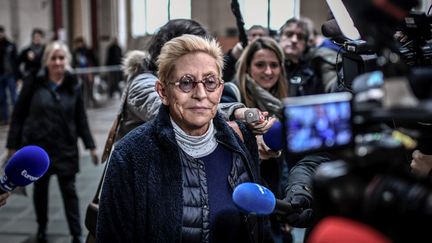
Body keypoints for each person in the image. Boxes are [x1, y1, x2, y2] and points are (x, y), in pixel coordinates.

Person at [97, 34, 269, 242]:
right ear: (163, 92)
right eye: (186, 83)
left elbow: (257, 227)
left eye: (210, 82)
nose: (201, 93)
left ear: (220, 89)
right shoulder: (130, 156)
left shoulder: (241, 140)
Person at [222, 37, 324, 242]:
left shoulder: (284, 103)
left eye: (274, 65)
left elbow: (286, 162)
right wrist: (253, 143)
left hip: (272, 202)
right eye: (260, 65)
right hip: (237, 200)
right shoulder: (231, 97)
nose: (268, 72)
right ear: (247, 67)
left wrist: (288, 201)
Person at [6, 41, 99, 243]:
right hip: (38, 148)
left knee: (69, 191)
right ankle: (42, 228)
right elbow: (19, 115)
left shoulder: (74, 84)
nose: (58, 62)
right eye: (53, 58)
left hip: (65, 147)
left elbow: (80, 117)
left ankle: (76, 233)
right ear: (46, 61)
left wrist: (91, 146)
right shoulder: (33, 82)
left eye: (62, 58)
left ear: (67, 61)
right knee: (41, 191)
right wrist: (12, 146)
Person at [278, 18, 326, 97]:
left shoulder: (313, 71)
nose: (294, 40)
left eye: (300, 37)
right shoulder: (268, 67)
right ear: (280, 37)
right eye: (289, 34)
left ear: (306, 44)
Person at [72, 36, 99, 107]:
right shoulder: (75, 52)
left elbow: (94, 61)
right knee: (82, 89)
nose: (79, 44)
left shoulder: (89, 51)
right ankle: (84, 104)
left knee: (90, 89)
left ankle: (93, 103)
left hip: (89, 72)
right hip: (80, 73)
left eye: (80, 43)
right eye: (77, 43)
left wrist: (95, 71)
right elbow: (74, 63)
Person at [0, 25, 18, 125]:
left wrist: (17, 76)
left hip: (10, 74)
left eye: (1, 32)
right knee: (2, 98)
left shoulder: (10, 45)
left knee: (14, 97)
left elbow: (16, 61)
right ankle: (5, 119)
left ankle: (17, 118)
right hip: (0, 75)